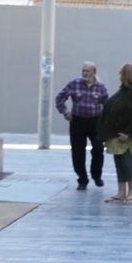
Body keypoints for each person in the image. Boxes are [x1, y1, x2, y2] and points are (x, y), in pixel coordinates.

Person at [98, 63, 132, 204]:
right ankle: (121, 192)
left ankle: (131, 193)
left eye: (122, 74)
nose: (120, 76)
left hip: (127, 136)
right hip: (116, 135)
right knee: (119, 163)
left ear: (128, 76)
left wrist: (128, 133)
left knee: (127, 163)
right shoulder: (123, 91)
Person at [55, 61, 109, 190]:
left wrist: (107, 122)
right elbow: (60, 98)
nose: (84, 73)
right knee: (78, 152)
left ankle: (96, 175)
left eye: (87, 71)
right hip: (77, 121)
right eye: (83, 70)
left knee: (98, 149)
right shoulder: (74, 83)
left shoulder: (100, 87)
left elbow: (107, 105)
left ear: (94, 72)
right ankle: (82, 179)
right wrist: (65, 112)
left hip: (95, 121)